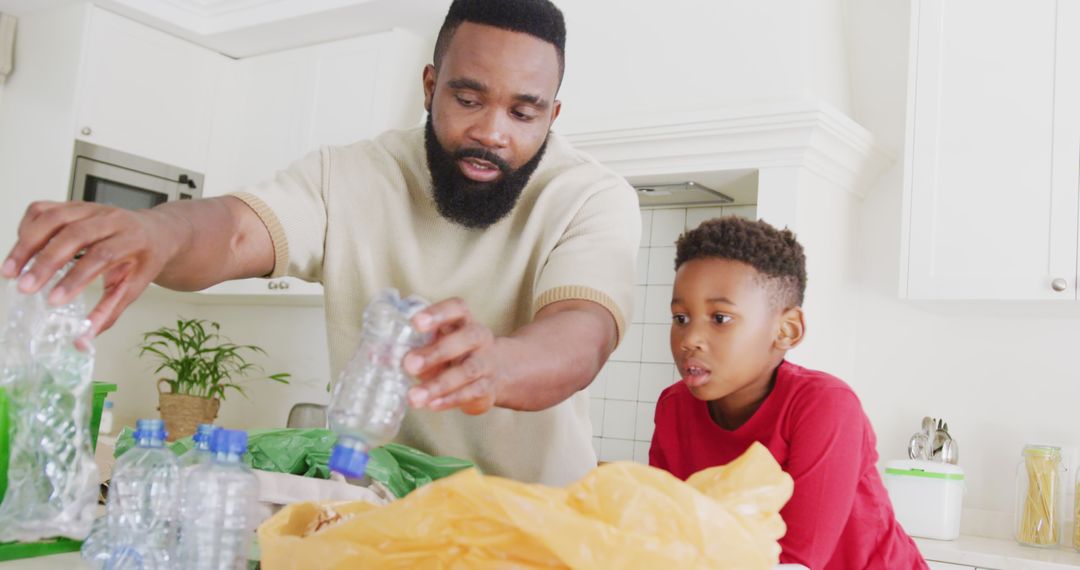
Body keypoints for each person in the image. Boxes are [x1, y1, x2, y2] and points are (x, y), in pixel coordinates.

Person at [1, 0, 639, 485]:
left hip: (531, 525)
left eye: (523, 113)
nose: (491, 132)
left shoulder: (591, 196)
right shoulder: (349, 174)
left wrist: (495, 365)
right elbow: (236, 229)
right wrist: (157, 229)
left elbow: (581, 335)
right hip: (377, 513)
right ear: (429, 86)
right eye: (467, 98)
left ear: (553, 115)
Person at [649, 217, 926, 569]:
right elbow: (663, 531)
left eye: (719, 318)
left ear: (787, 330)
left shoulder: (825, 405)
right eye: (680, 318)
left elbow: (798, 562)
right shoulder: (674, 407)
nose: (689, 340)